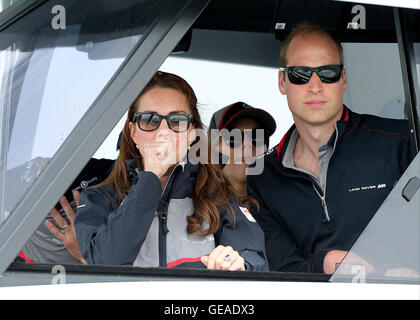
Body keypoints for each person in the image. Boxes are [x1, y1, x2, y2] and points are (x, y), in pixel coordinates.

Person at [247, 23, 415, 274]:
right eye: (300, 74)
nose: (315, 86)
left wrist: (412, 270)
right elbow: (283, 269)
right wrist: (323, 263)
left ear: (343, 79)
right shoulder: (263, 177)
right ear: (282, 82)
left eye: (328, 72)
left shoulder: (401, 141)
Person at [74, 71, 268, 271]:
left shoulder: (218, 196)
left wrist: (238, 264)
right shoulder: (100, 195)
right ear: (133, 133)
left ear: (192, 134)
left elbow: (256, 260)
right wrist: (150, 180)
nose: (163, 132)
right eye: (150, 119)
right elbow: (107, 262)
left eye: (177, 120)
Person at [209, 101, 276, 199]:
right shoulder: (191, 205)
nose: (248, 145)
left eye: (257, 136)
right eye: (233, 137)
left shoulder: (286, 200)